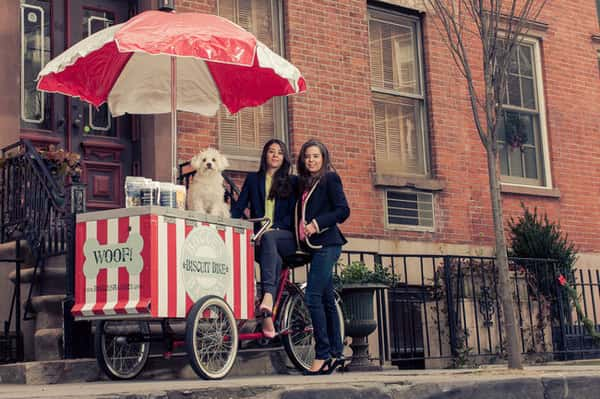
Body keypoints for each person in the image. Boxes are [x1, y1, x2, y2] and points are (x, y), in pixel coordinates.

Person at [230, 139, 297, 338]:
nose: (275, 155)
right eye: (271, 151)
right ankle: (267, 314)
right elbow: (239, 207)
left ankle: (266, 296)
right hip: (261, 240)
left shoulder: (291, 181)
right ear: (265, 155)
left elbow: (293, 213)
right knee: (271, 256)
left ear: (284, 158)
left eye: (279, 152)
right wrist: (227, 224)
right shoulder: (253, 179)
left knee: (270, 240)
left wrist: (274, 229)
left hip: (286, 237)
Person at [295, 139, 350, 375]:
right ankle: (337, 354)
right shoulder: (305, 184)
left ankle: (322, 353)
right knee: (327, 301)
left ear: (323, 158)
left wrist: (316, 224)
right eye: (308, 156)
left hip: (328, 244)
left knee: (312, 297)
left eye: (316, 156)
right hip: (315, 247)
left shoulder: (330, 178)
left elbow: (342, 210)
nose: (311, 160)